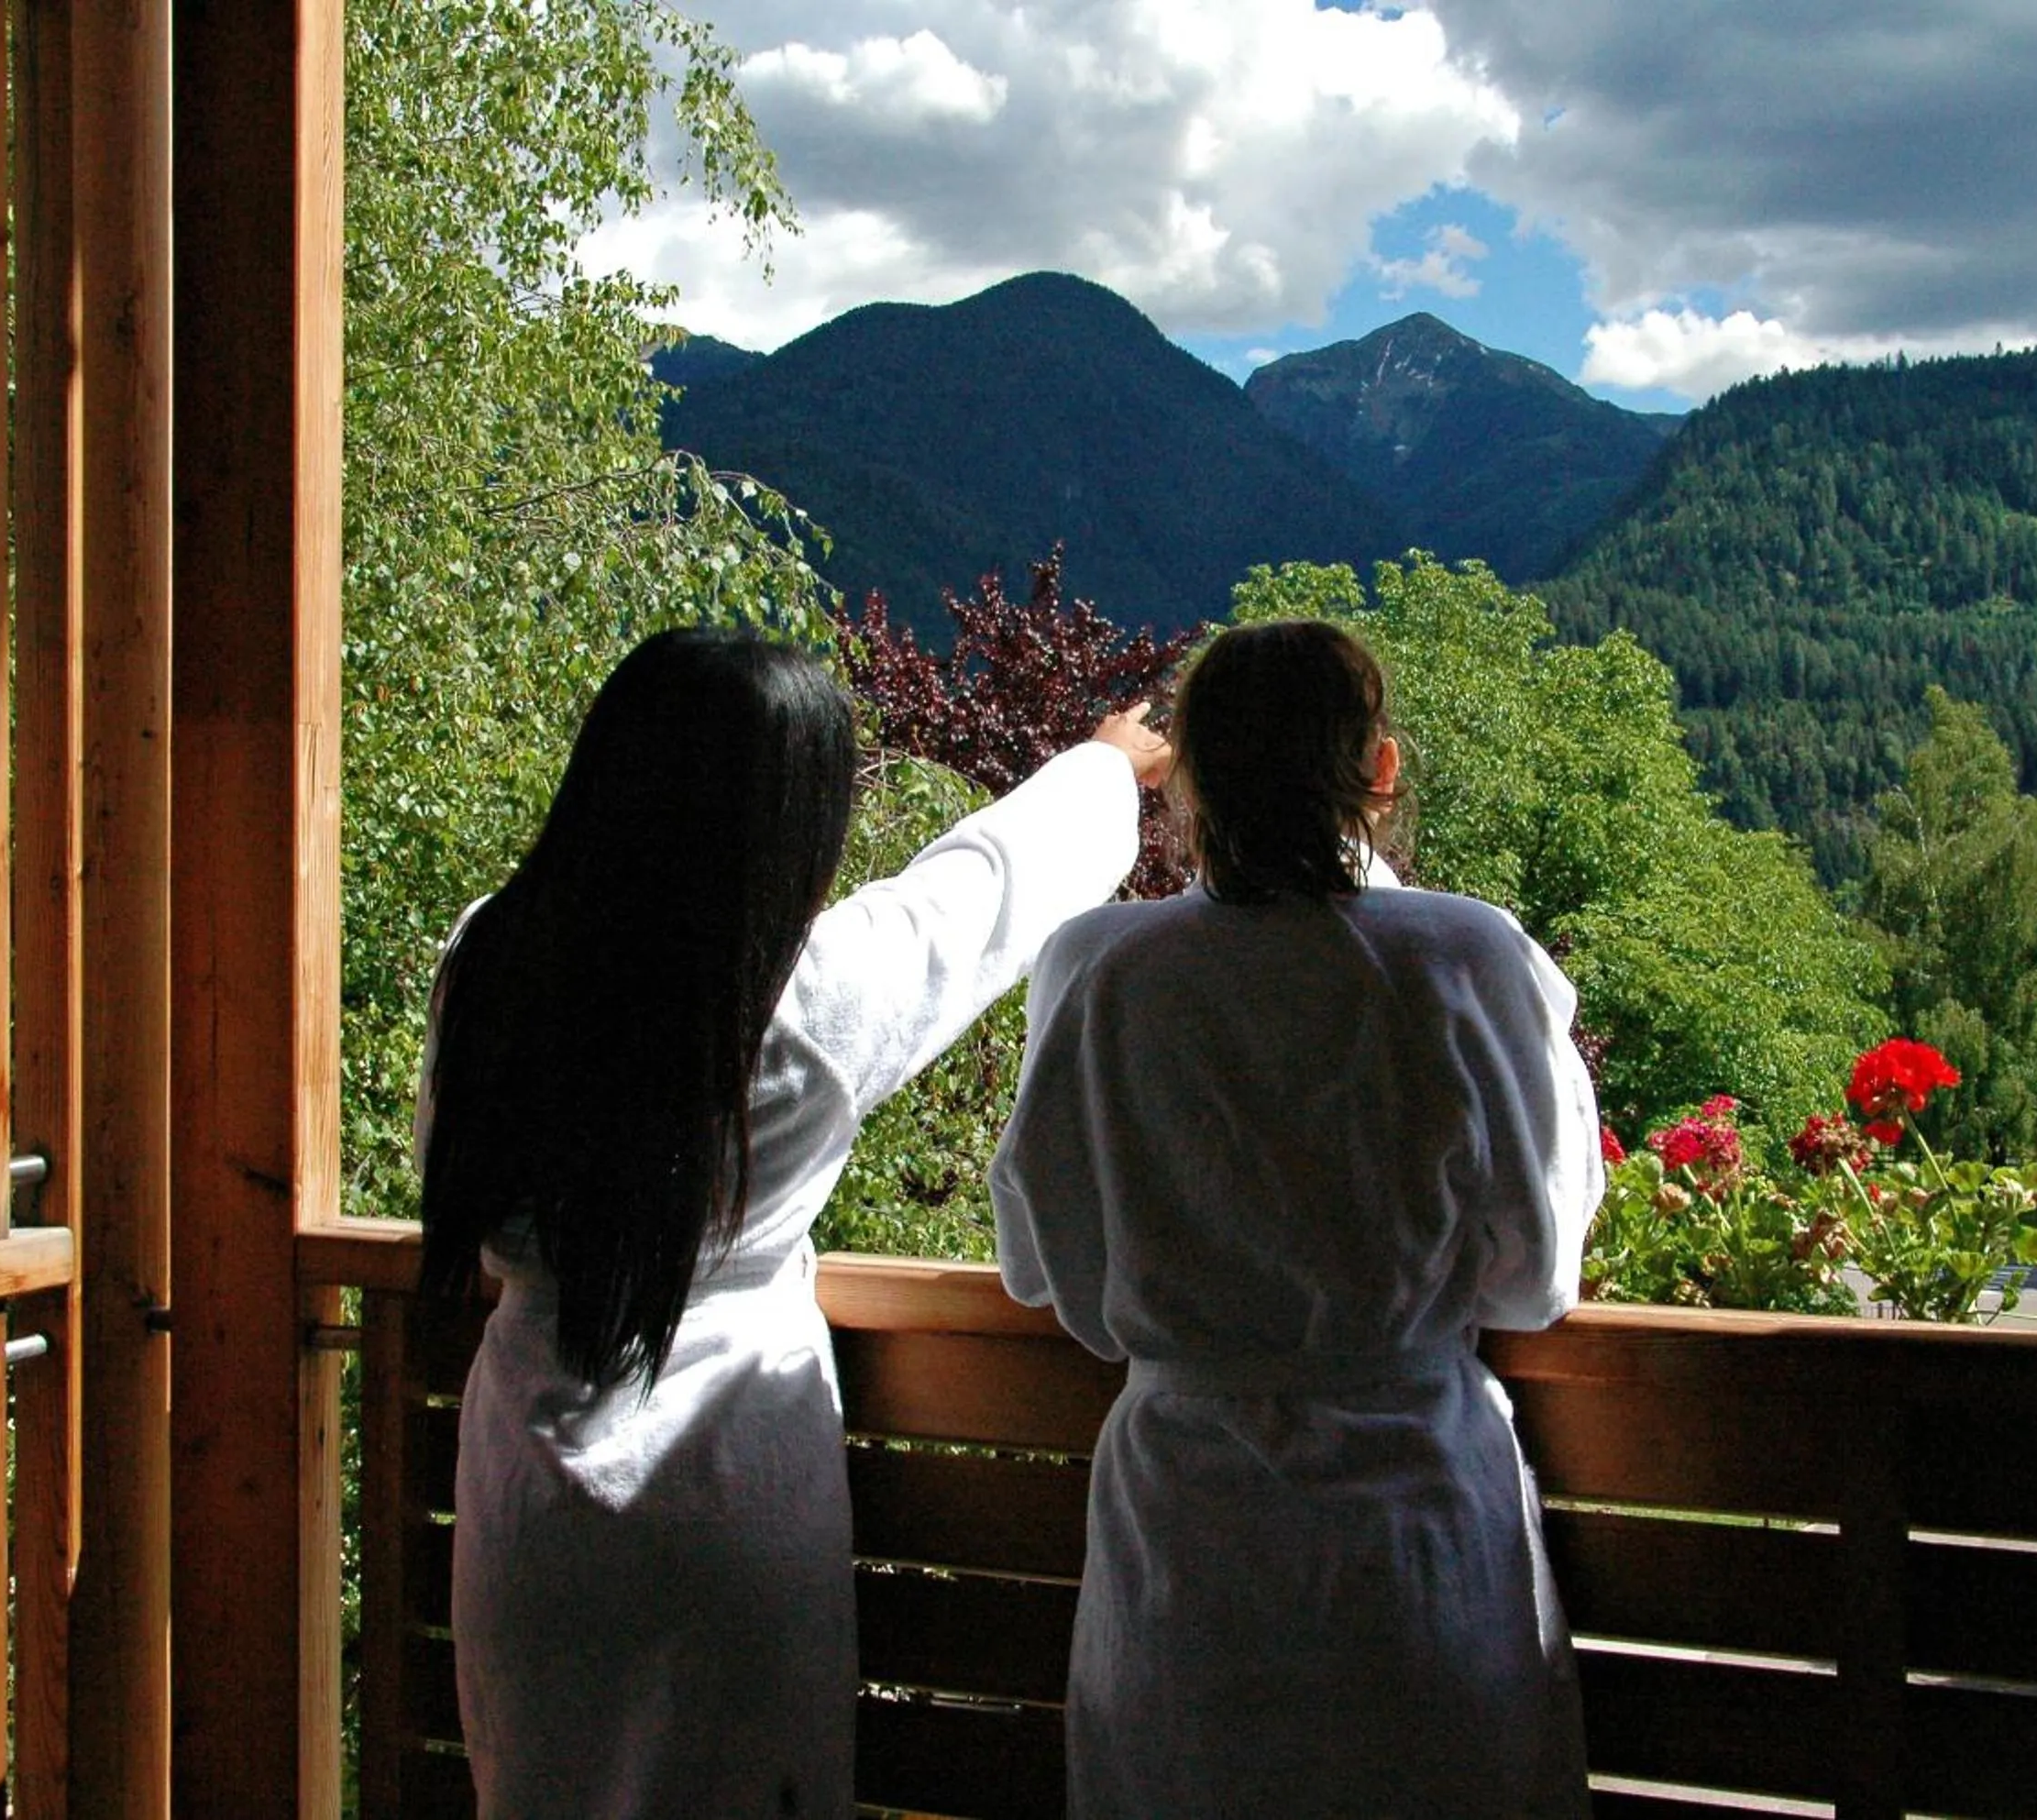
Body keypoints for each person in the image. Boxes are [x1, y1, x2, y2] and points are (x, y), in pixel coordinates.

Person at [418, 626, 1169, 1818]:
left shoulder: (490, 955)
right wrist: (1103, 766)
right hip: (729, 1483)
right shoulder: (806, 996)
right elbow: (978, 893)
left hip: (530, 1501)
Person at [989, 618, 1604, 1818]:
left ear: (1182, 785)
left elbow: (1042, 1265)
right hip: (1413, 1528)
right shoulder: (1464, 957)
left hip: (1183, 1545)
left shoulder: (1098, 971)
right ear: (1378, 771)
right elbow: (1533, 1280)